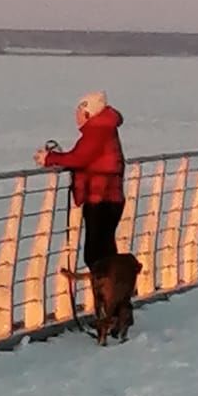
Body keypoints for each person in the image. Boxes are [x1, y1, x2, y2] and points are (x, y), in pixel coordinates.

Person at [35, 92, 126, 269]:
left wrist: (50, 158)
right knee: (103, 249)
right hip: (108, 196)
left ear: (87, 113)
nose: (76, 117)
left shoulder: (98, 130)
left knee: (96, 253)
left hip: (101, 198)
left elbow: (80, 158)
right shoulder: (103, 128)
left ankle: (109, 293)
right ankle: (114, 291)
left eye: (79, 111)